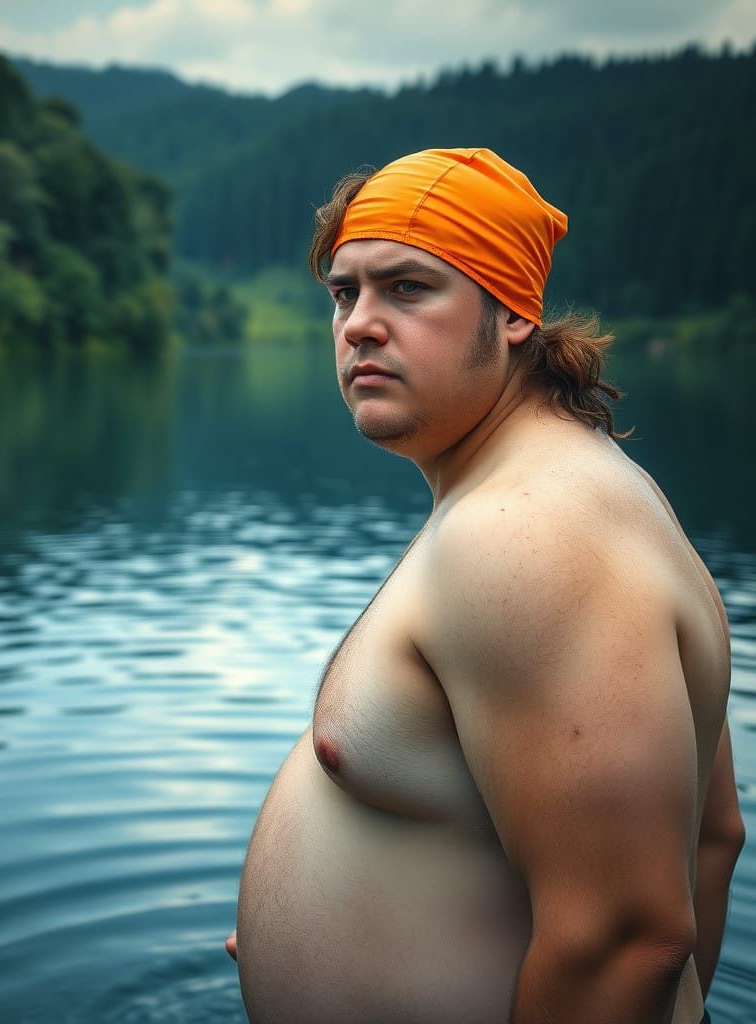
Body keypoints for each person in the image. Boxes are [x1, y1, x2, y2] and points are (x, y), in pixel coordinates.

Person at [223, 148, 745, 1023]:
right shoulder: (557, 496)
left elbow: (627, 939)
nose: (359, 324)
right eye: (345, 293)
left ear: (513, 312)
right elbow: (711, 838)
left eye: (408, 288)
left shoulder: (533, 533)